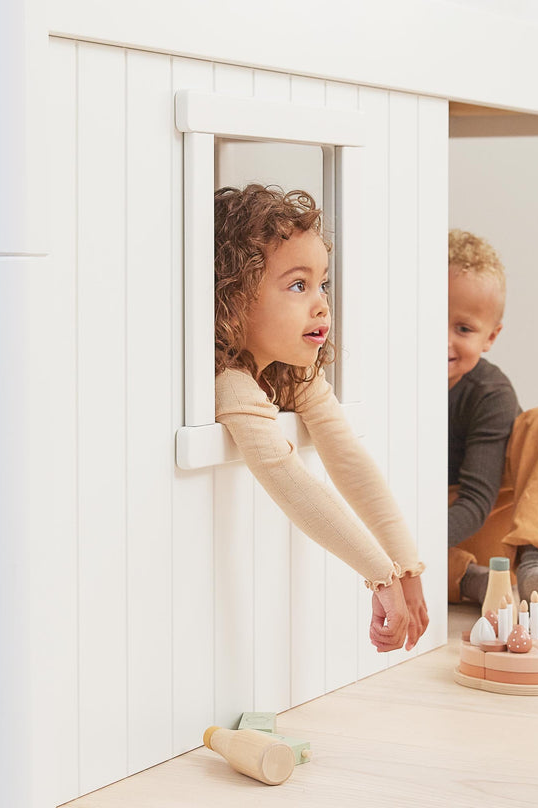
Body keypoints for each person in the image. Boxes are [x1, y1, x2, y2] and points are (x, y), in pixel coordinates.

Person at [213, 183, 428, 652]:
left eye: (322, 283)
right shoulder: (228, 382)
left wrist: (406, 566)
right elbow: (288, 479)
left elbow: (348, 459)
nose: (321, 303)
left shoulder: (297, 372)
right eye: (297, 285)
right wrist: (380, 576)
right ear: (234, 297)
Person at [447, 229, 538, 610]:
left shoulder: (490, 392)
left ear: (491, 336)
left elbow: (476, 501)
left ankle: (537, 558)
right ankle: (475, 582)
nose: (444, 340)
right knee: (383, 554)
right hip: (434, 535)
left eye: (463, 329)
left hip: (494, 517)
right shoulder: (387, 385)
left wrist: (414, 538)